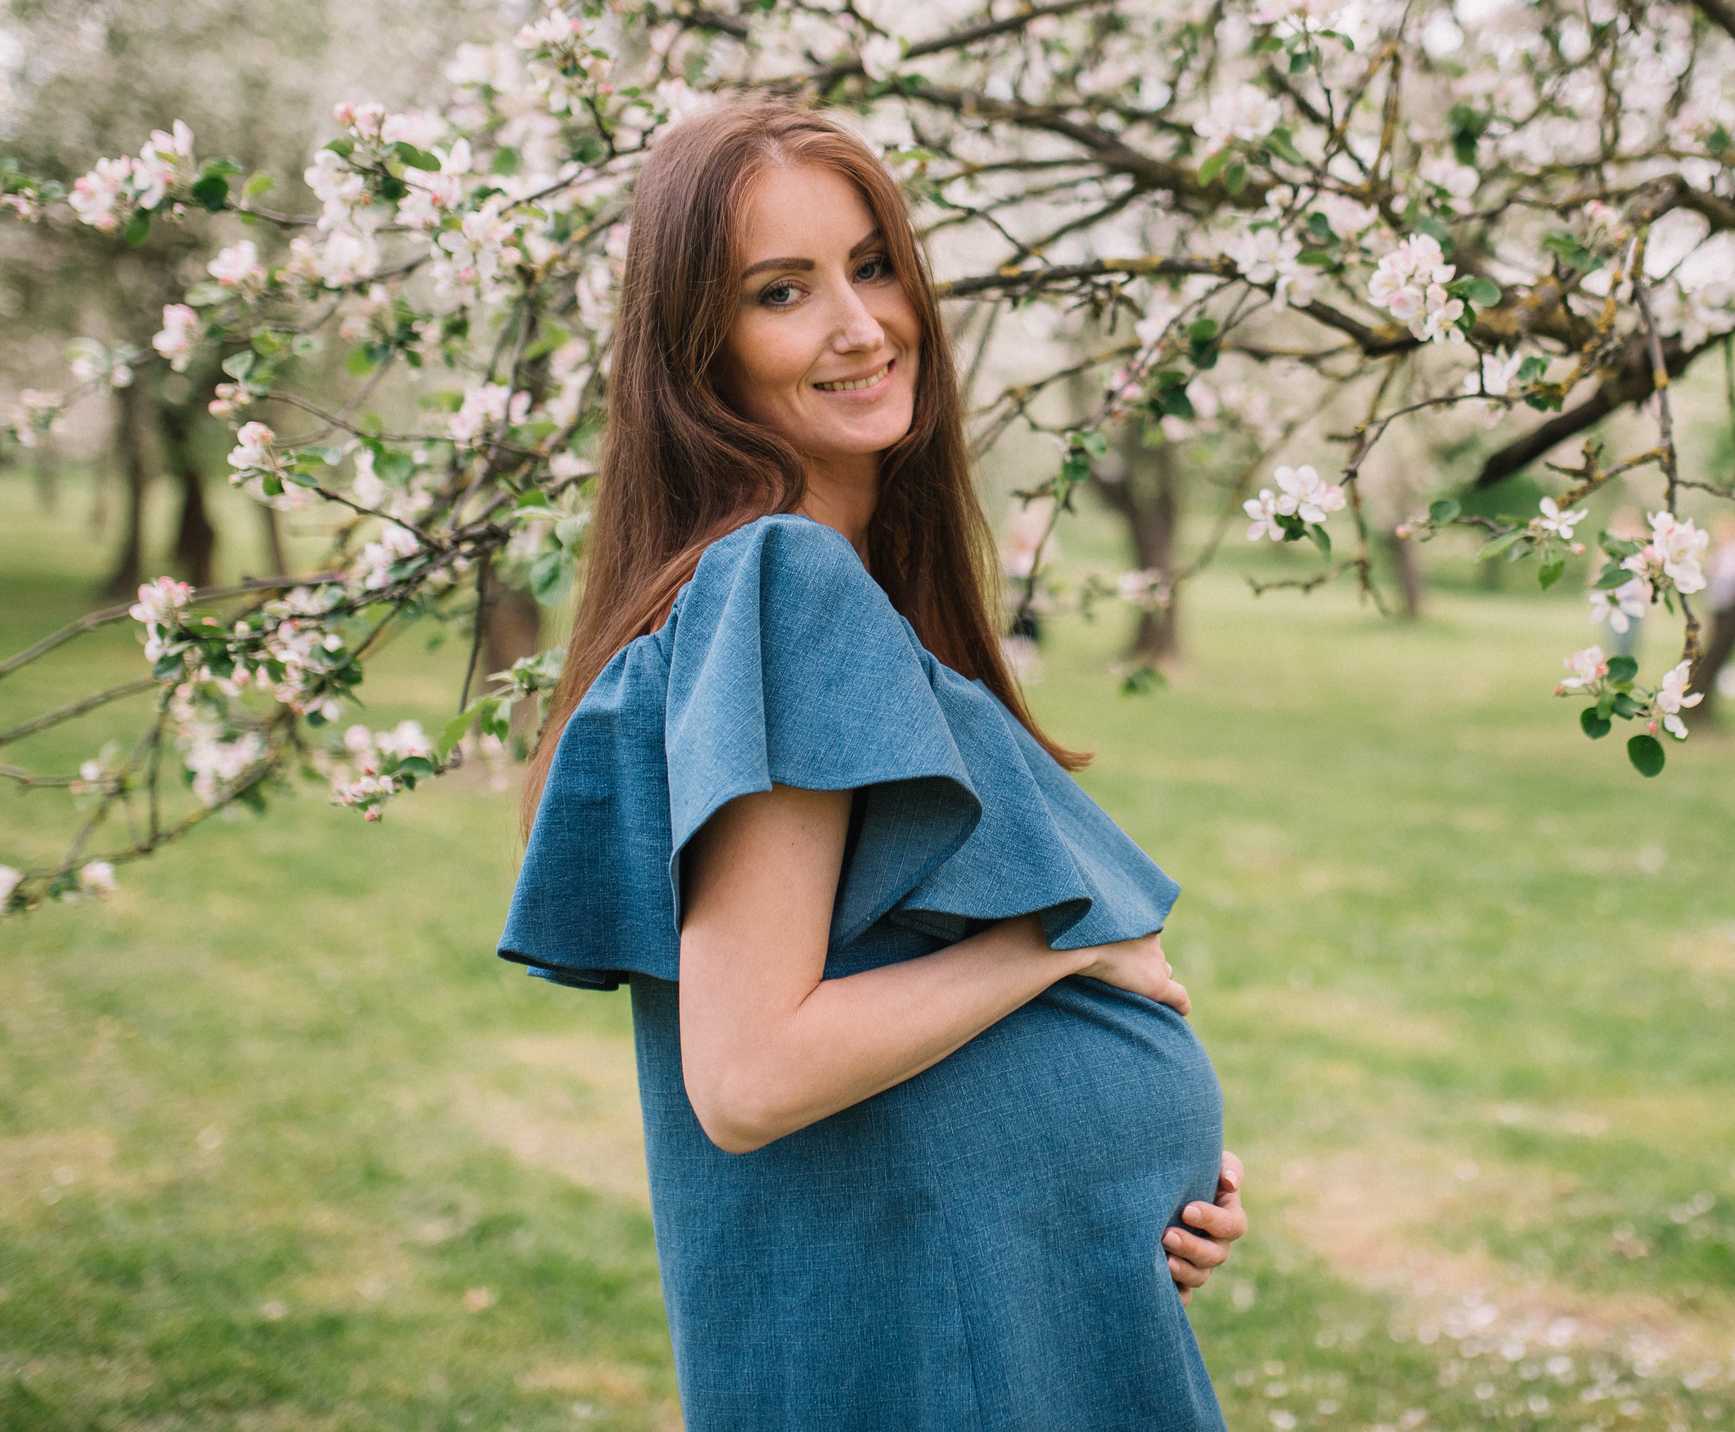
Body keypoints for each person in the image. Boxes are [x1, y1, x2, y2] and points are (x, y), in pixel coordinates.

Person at [498, 100, 1246, 1430]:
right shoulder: (786, 585)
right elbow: (750, 1075)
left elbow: (877, 991)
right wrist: (1058, 951)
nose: (860, 323)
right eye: (783, 291)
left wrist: (1119, 1189)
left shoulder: (848, 605)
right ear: (697, 353)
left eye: (874, 263)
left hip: (1023, 1315)